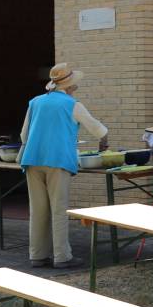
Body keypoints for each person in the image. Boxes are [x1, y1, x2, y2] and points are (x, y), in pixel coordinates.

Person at [17, 64, 108, 269]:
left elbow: (24, 135)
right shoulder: (72, 104)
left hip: (32, 159)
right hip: (58, 160)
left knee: (38, 210)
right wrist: (104, 139)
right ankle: (62, 256)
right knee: (59, 209)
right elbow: (95, 127)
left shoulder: (35, 102)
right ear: (71, 85)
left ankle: (37, 255)